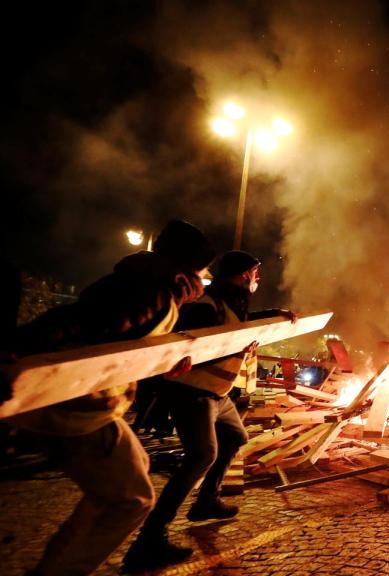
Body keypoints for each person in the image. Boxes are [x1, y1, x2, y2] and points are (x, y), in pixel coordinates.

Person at [4, 219, 214, 576]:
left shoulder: (151, 284)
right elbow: (80, 322)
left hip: (96, 405)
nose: (207, 276)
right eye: (204, 268)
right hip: (75, 408)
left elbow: (121, 348)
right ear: (189, 267)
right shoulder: (152, 292)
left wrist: (162, 365)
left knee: (133, 473)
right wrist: (17, 351)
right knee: (132, 499)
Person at [123, 250, 297, 570]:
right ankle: (149, 538)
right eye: (255, 272)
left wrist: (277, 315)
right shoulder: (207, 305)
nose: (258, 278)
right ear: (243, 274)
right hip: (192, 392)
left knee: (235, 437)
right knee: (202, 455)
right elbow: (190, 347)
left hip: (218, 394)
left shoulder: (232, 305)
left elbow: (240, 326)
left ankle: (206, 501)